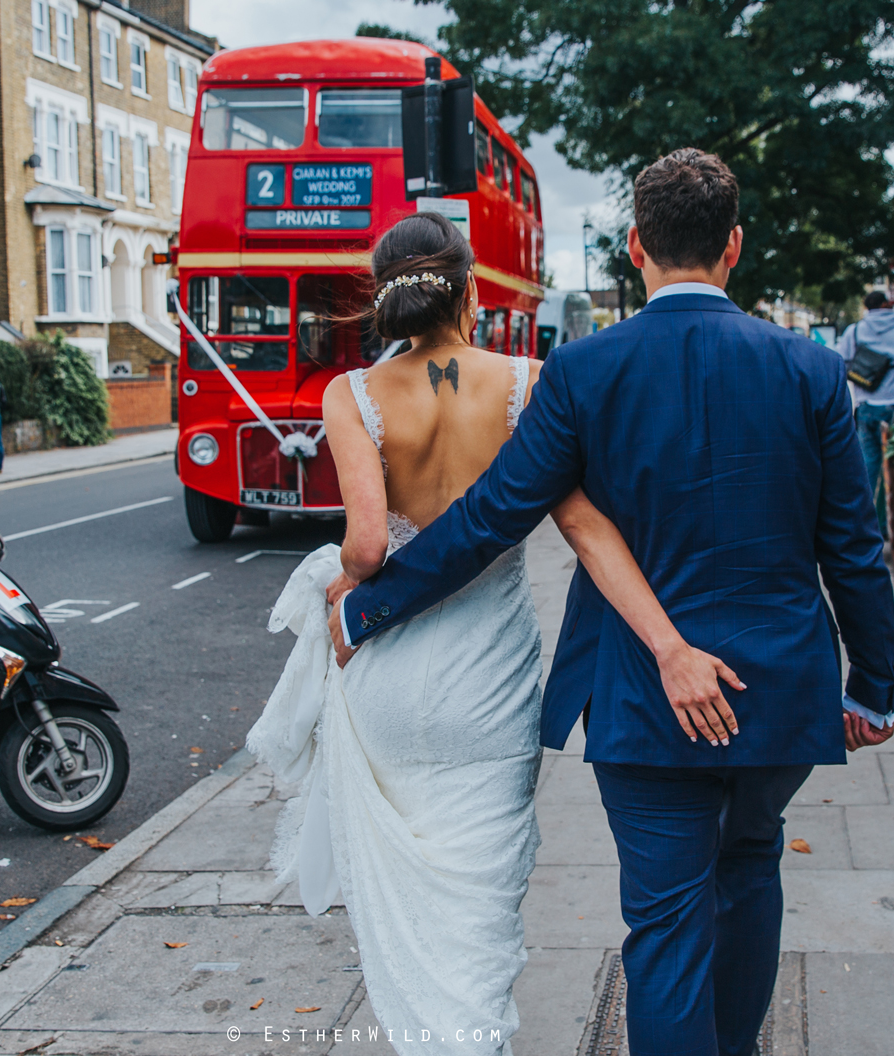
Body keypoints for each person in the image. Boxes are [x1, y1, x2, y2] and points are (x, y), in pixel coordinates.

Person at [327, 149, 894, 1056]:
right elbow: (855, 551)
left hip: (641, 696)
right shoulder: (810, 369)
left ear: (636, 246)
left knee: (667, 922)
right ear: (734, 246)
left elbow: (489, 517)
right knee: (750, 867)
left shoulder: (585, 371)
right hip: (781, 687)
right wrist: (873, 686)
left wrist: (367, 609)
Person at [248, 211, 742, 1056]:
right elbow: (582, 521)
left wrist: (339, 579)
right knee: (479, 895)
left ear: (387, 296)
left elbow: (368, 548)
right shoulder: (527, 382)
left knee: (410, 893)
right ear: (470, 292)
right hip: (490, 683)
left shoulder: (353, 395)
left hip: (395, 682)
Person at [835, 290, 894, 534]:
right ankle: (886, 522)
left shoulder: (855, 331)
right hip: (892, 406)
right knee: (892, 464)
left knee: (867, 465)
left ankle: (865, 523)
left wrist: (860, 376)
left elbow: (839, 362)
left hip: (864, 407)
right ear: (886, 305)